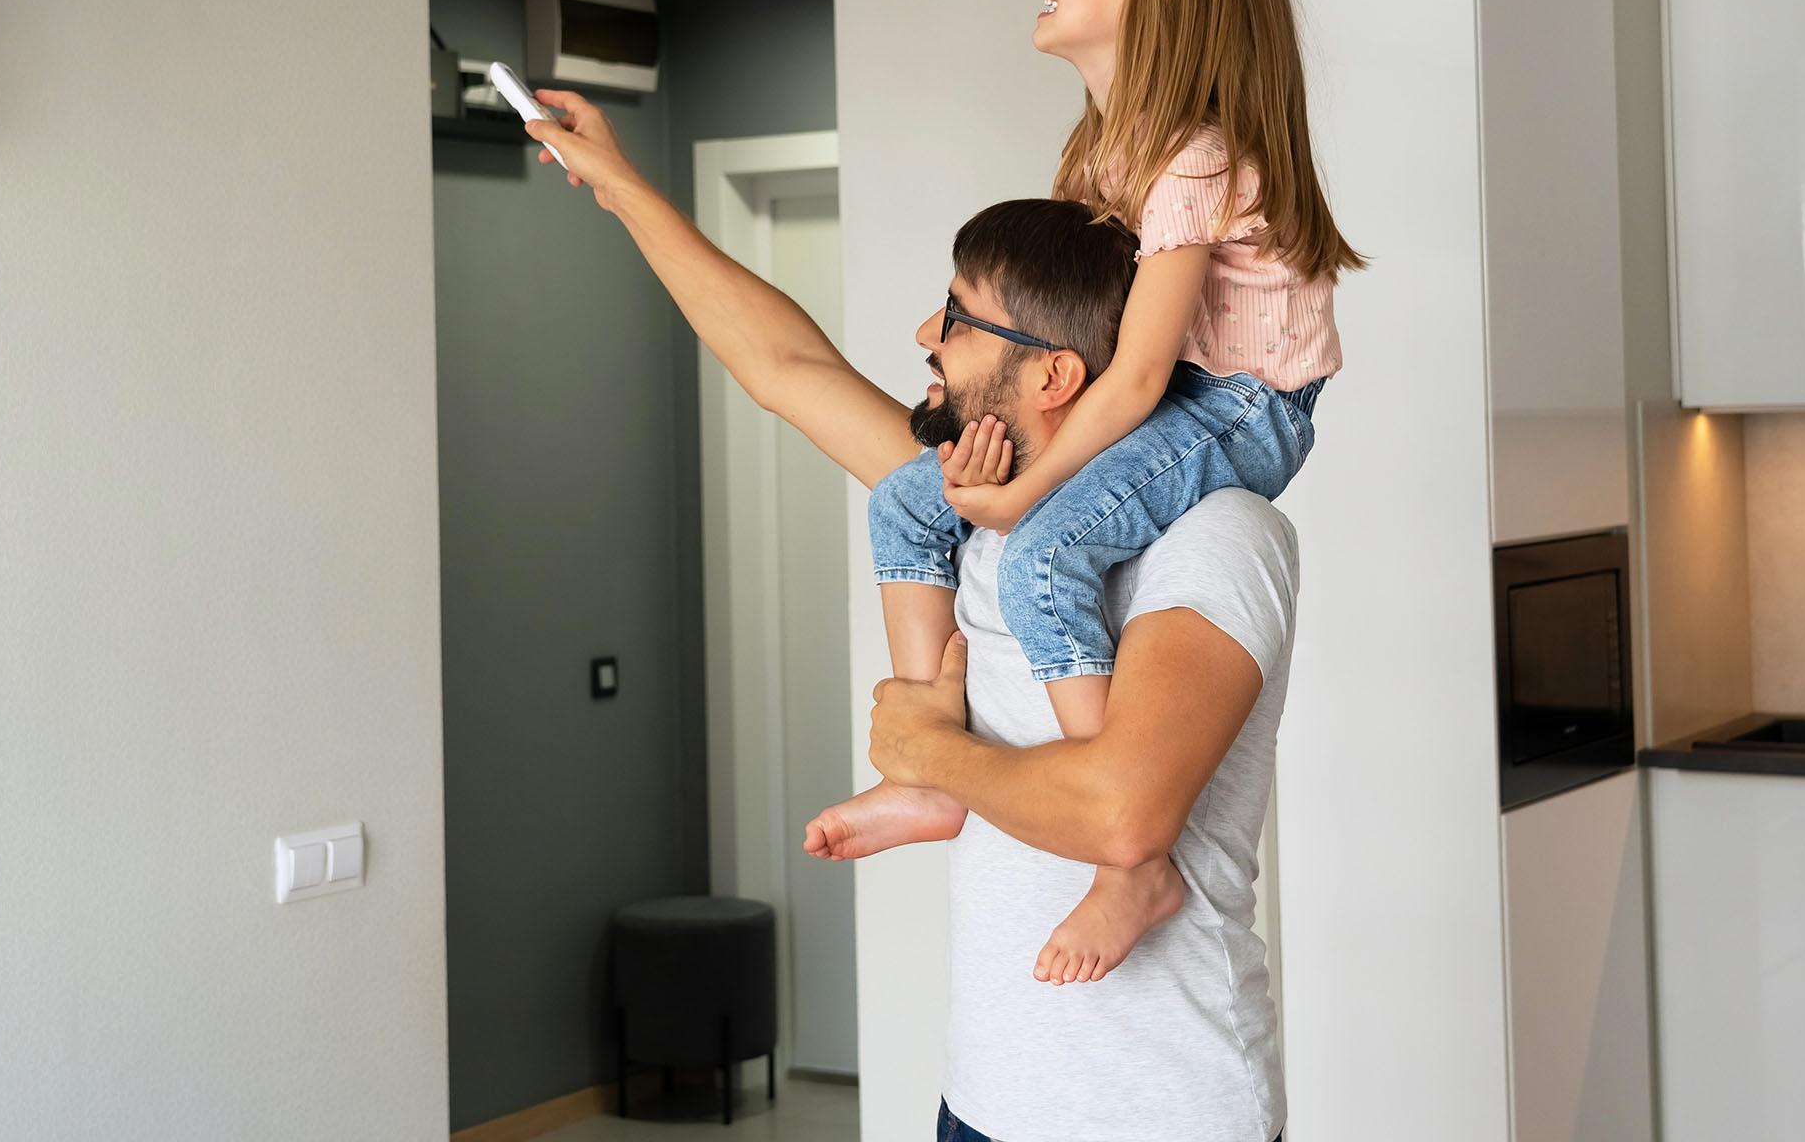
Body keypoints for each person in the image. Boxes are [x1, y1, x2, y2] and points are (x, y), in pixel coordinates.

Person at [520, 92, 1294, 1141]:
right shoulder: (984, 505)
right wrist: (619, 183)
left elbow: (1124, 815)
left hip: (1156, 1111)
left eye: (960, 320)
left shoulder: (1218, 533)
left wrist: (931, 753)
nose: (927, 335)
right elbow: (787, 370)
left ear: (1057, 374)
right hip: (982, 1100)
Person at [802, 0, 1360, 988]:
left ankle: (1129, 856)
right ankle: (928, 753)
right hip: (1167, 389)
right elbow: (1080, 345)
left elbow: (1143, 371)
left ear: (1158, 1)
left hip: (1245, 403)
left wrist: (1020, 492)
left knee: (1048, 548)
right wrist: (985, 442)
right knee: (911, 498)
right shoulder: (1103, 150)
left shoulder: (1195, 157)